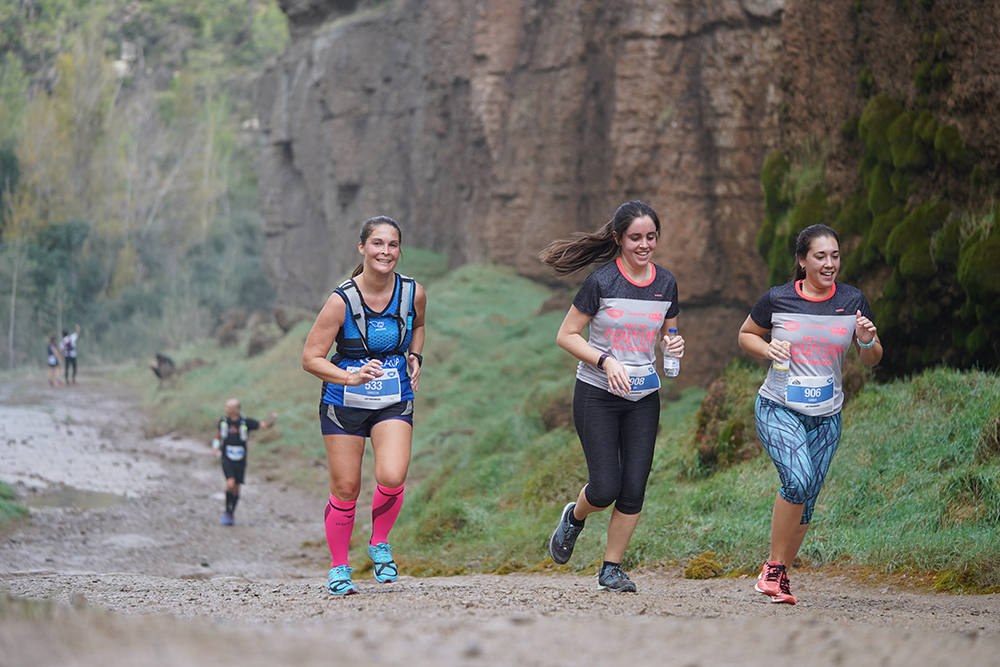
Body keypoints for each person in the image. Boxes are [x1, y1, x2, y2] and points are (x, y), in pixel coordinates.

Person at [539, 200, 684, 593]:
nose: (644, 245)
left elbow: (669, 335)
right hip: (597, 394)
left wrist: (673, 349)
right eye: (635, 237)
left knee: (634, 486)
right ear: (619, 239)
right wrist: (606, 361)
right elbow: (565, 335)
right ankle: (574, 517)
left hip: (643, 396)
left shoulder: (666, 284)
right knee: (605, 487)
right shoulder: (601, 282)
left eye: (651, 237)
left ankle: (611, 569)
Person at [738, 224, 882, 604]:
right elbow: (746, 334)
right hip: (779, 407)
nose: (830, 263)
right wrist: (767, 349)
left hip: (826, 415)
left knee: (808, 498)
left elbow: (871, 359)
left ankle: (778, 575)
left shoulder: (852, 300)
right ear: (803, 261)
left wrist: (866, 339)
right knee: (798, 481)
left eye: (835, 256)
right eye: (821, 256)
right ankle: (772, 567)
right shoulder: (778, 298)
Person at [301, 215, 426, 596]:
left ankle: (379, 543)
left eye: (392, 245)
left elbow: (418, 325)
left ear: (399, 250)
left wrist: (416, 356)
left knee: (392, 475)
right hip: (344, 401)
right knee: (346, 488)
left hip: (393, 397)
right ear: (362, 248)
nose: (385, 252)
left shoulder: (413, 293)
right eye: (377, 244)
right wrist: (349, 377)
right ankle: (340, 567)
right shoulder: (341, 300)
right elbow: (311, 357)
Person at [212, 398, 277, 526]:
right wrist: (215, 447)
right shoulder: (223, 421)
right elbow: (218, 436)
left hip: (240, 460)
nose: (226, 409)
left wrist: (273, 420)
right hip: (227, 458)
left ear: (236, 409)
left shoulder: (246, 422)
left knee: (236, 488)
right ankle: (227, 511)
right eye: (226, 407)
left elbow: (264, 426)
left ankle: (231, 512)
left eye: (229, 407)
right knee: (230, 483)